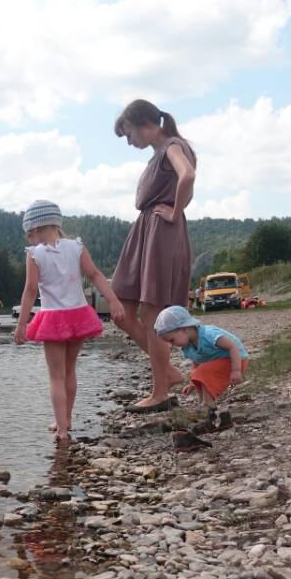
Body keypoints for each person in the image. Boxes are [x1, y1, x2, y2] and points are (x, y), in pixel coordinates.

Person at [110, 99, 197, 415]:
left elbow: (187, 176)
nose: (129, 142)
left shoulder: (172, 145)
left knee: (152, 313)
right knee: (121, 312)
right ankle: (168, 373)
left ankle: (160, 393)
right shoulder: (160, 152)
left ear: (143, 124)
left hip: (161, 231)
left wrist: (174, 212)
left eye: (129, 134)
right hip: (146, 231)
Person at [14, 200, 126, 445]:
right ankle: (66, 419)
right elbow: (95, 274)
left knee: (56, 377)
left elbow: (30, 290)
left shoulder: (35, 254)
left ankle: (62, 429)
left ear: (35, 229)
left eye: (30, 234)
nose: (31, 239)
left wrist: (22, 324)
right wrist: (113, 300)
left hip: (53, 318)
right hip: (78, 315)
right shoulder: (76, 247)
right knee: (69, 371)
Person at [154, 305, 247, 432]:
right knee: (197, 374)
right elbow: (196, 362)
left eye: (172, 340)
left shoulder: (208, 335)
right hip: (218, 362)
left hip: (235, 360)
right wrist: (193, 382)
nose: (172, 345)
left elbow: (232, 347)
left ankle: (208, 405)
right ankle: (204, 405)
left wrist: (236, 370)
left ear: (184, 329)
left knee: (203, 372)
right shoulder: (188, 346)